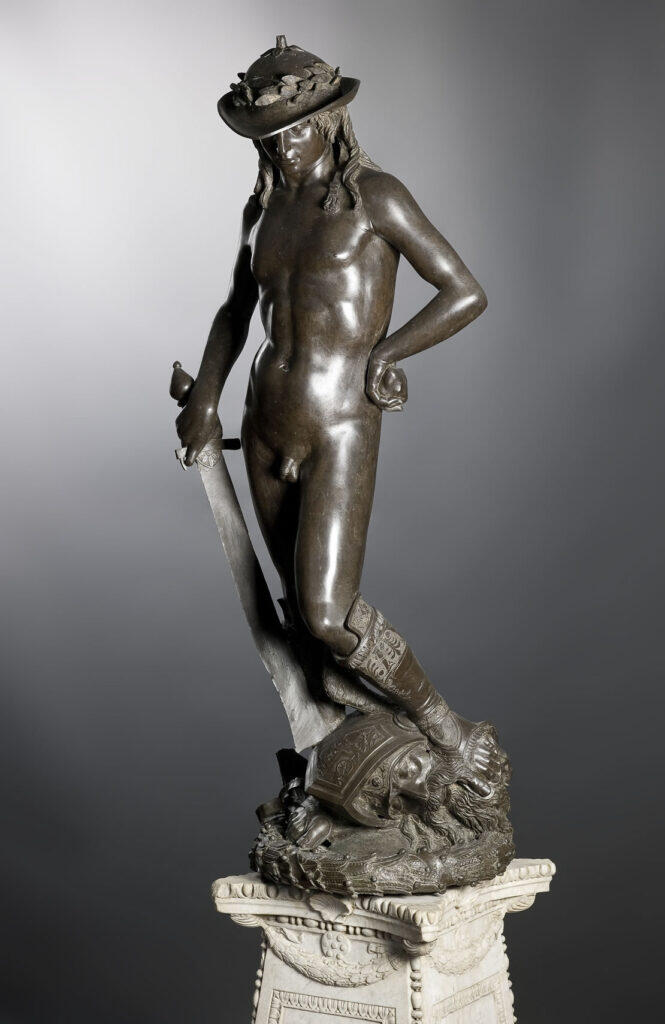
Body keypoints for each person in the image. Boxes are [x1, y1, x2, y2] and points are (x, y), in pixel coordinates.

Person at [177, 38, 490, 785]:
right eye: (268, 136)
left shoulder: (374, 197)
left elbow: (464, 292)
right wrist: (207, 398)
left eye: (294, 130)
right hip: (264, 420)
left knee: (327, 610)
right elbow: (236, 309)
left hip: (339, 425)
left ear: (328, 120)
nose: (281, 147)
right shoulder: (261, 210)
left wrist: (387, 354)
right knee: (296, 610)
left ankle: (443, 725)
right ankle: (343, 748)